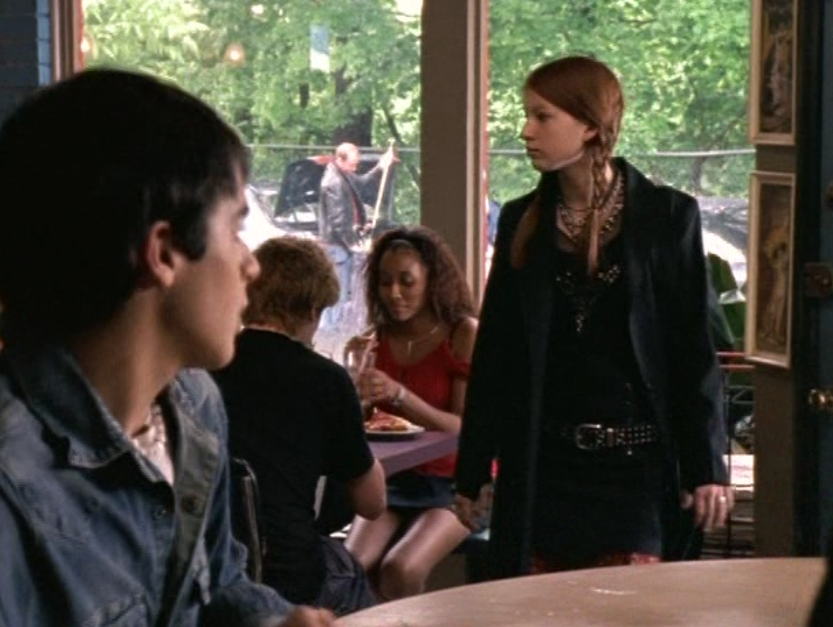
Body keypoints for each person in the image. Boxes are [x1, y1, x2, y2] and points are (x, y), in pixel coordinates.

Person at [0, 69, 332, 626]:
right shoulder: (12, 483)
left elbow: (218, 585)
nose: (251, 266)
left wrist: (273, 621)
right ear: (163, 252)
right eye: (235, 231)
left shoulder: (195, 406)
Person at [453, 56, 734, 579]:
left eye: (542, 117)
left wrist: (706, 466)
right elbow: (497, 356)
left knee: (627, 604)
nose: (526, 131)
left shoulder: (666, 217)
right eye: (527, 115)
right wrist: (472, 472)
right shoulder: (521, 221)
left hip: (636, 472)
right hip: (544, 470)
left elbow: (694, 350)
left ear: (588, 126)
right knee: (542, 609)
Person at [212, 236, 386, 616]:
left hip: (216, 575)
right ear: (311, 309)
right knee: (352, 574)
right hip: (293, 575)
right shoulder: (325, 379)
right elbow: (372, 503)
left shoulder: (208, 366)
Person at [343, 226, 478, 600]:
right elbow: (365, 424)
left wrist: (400, 394)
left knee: (400, 568)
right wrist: (355, 387)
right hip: (394, 481)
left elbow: (465, 428)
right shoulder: (375, 339)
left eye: (407, 281)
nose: (394, 293)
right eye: (385, 282)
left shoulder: (463, 333)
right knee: (352, 567)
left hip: (456, 485)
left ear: (432, 280)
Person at [318, 142, 395, 329]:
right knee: (338, 291)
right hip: (337, 246)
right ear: (340, 159)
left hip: (341, 245)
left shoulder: (343, 175)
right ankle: (329, 331)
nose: (355, 168)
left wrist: (381, 166)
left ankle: (332, 328)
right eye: (352, 164)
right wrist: (354, 244)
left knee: (341, 291)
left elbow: (362, 182)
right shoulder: (334, 183)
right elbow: (338, 221)